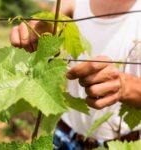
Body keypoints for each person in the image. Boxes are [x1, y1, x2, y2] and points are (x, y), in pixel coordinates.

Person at [10, 0, 141, 149]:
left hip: (123, 145)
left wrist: (125, 86)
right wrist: (37, 30)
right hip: (65, 136)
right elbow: (51, 22)